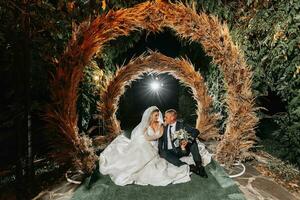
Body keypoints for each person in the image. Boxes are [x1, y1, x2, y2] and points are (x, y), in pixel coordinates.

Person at [99, 106, 191, 186]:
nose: (158, 117)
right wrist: (148, 137)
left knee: (144, 149)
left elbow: (157, 136)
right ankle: (131, 166)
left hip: (154, 146)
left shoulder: (161, 124)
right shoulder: (146, 125)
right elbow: (146, 137)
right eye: (155, 115)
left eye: (158, 115)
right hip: (147, 143)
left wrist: (152, 136)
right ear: (150, 115)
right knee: (141, 148)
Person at [158, 109, 209, 178]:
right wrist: (160, 150)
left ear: (172, 118)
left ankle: (199, 165)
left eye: (166, 117)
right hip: (170, 152)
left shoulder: (181, 125)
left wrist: (188, 140)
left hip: (182, 150)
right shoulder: (164, 127)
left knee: (193, 141)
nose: (164, 118)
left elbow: (195, 131)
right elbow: (160, 139)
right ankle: (190, 167)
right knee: (162, 152)